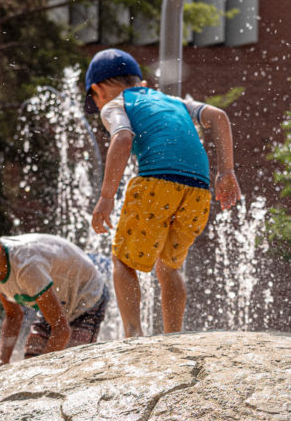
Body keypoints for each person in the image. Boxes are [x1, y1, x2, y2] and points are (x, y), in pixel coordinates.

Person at [85, 48, 241, 337]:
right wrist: (226, 172)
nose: (99, 106)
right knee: (169, 266)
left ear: (99, 89)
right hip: (198, 190)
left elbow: (122, 138)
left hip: (156, 184)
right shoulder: (176, 101)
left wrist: (106, 197)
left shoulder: (114, 104)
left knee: (122, 259)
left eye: (95, 100)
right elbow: (218, 116)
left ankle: (133, 334)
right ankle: (173, 336)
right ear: (140, 82)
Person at [0, 216, 109, 366]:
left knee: (71, 362)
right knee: (32, 358)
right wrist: (2, 361)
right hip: (57, 301)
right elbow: (14, 316)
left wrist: (43, 371)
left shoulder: (26, 266)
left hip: (87, 297)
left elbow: (61, 329)